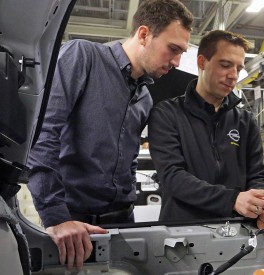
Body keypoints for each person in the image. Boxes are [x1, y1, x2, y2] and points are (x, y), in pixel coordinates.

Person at [26, 0, 193, 270]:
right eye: (172, 49)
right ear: (143, 34)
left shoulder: (144, 97)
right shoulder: (83, 57)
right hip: (73, 223)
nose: (176, 61)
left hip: (121, 221)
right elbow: (43, 134)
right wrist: (56, 217)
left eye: (181, 52)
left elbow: (129, 159)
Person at [148, 30, 264, 239]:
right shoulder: (167, 114)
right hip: (182, 235)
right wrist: (232, 200)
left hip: (237, 233)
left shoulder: (245, 121)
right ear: (202, 62)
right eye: (225, 65)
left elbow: (256, 175)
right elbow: (172, 177)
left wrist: (261, 208)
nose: (234, 75)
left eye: (238, 68)